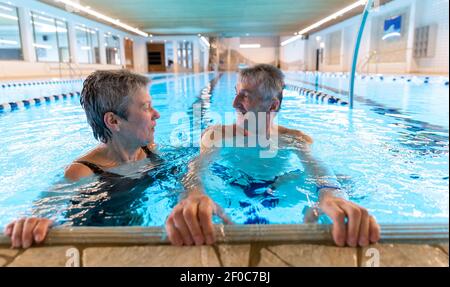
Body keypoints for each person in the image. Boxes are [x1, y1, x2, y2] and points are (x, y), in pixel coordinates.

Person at [166, 64, 381, 247]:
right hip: (230, 190)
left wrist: (332, 193)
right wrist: (193, 192)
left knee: (348, 184)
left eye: (245, 96)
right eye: (236, 93)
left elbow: (317, 167)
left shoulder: (294, 139)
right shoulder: (217, 135)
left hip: (280, 191)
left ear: (273, 105)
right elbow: (198, 165)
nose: (234, 103)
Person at [4, 70, 161, 248]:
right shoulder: (83, 171)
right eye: (146, 107)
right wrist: (35, 219)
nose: (156, 114)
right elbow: (46, 205)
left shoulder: (149, 149)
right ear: (114, 121)